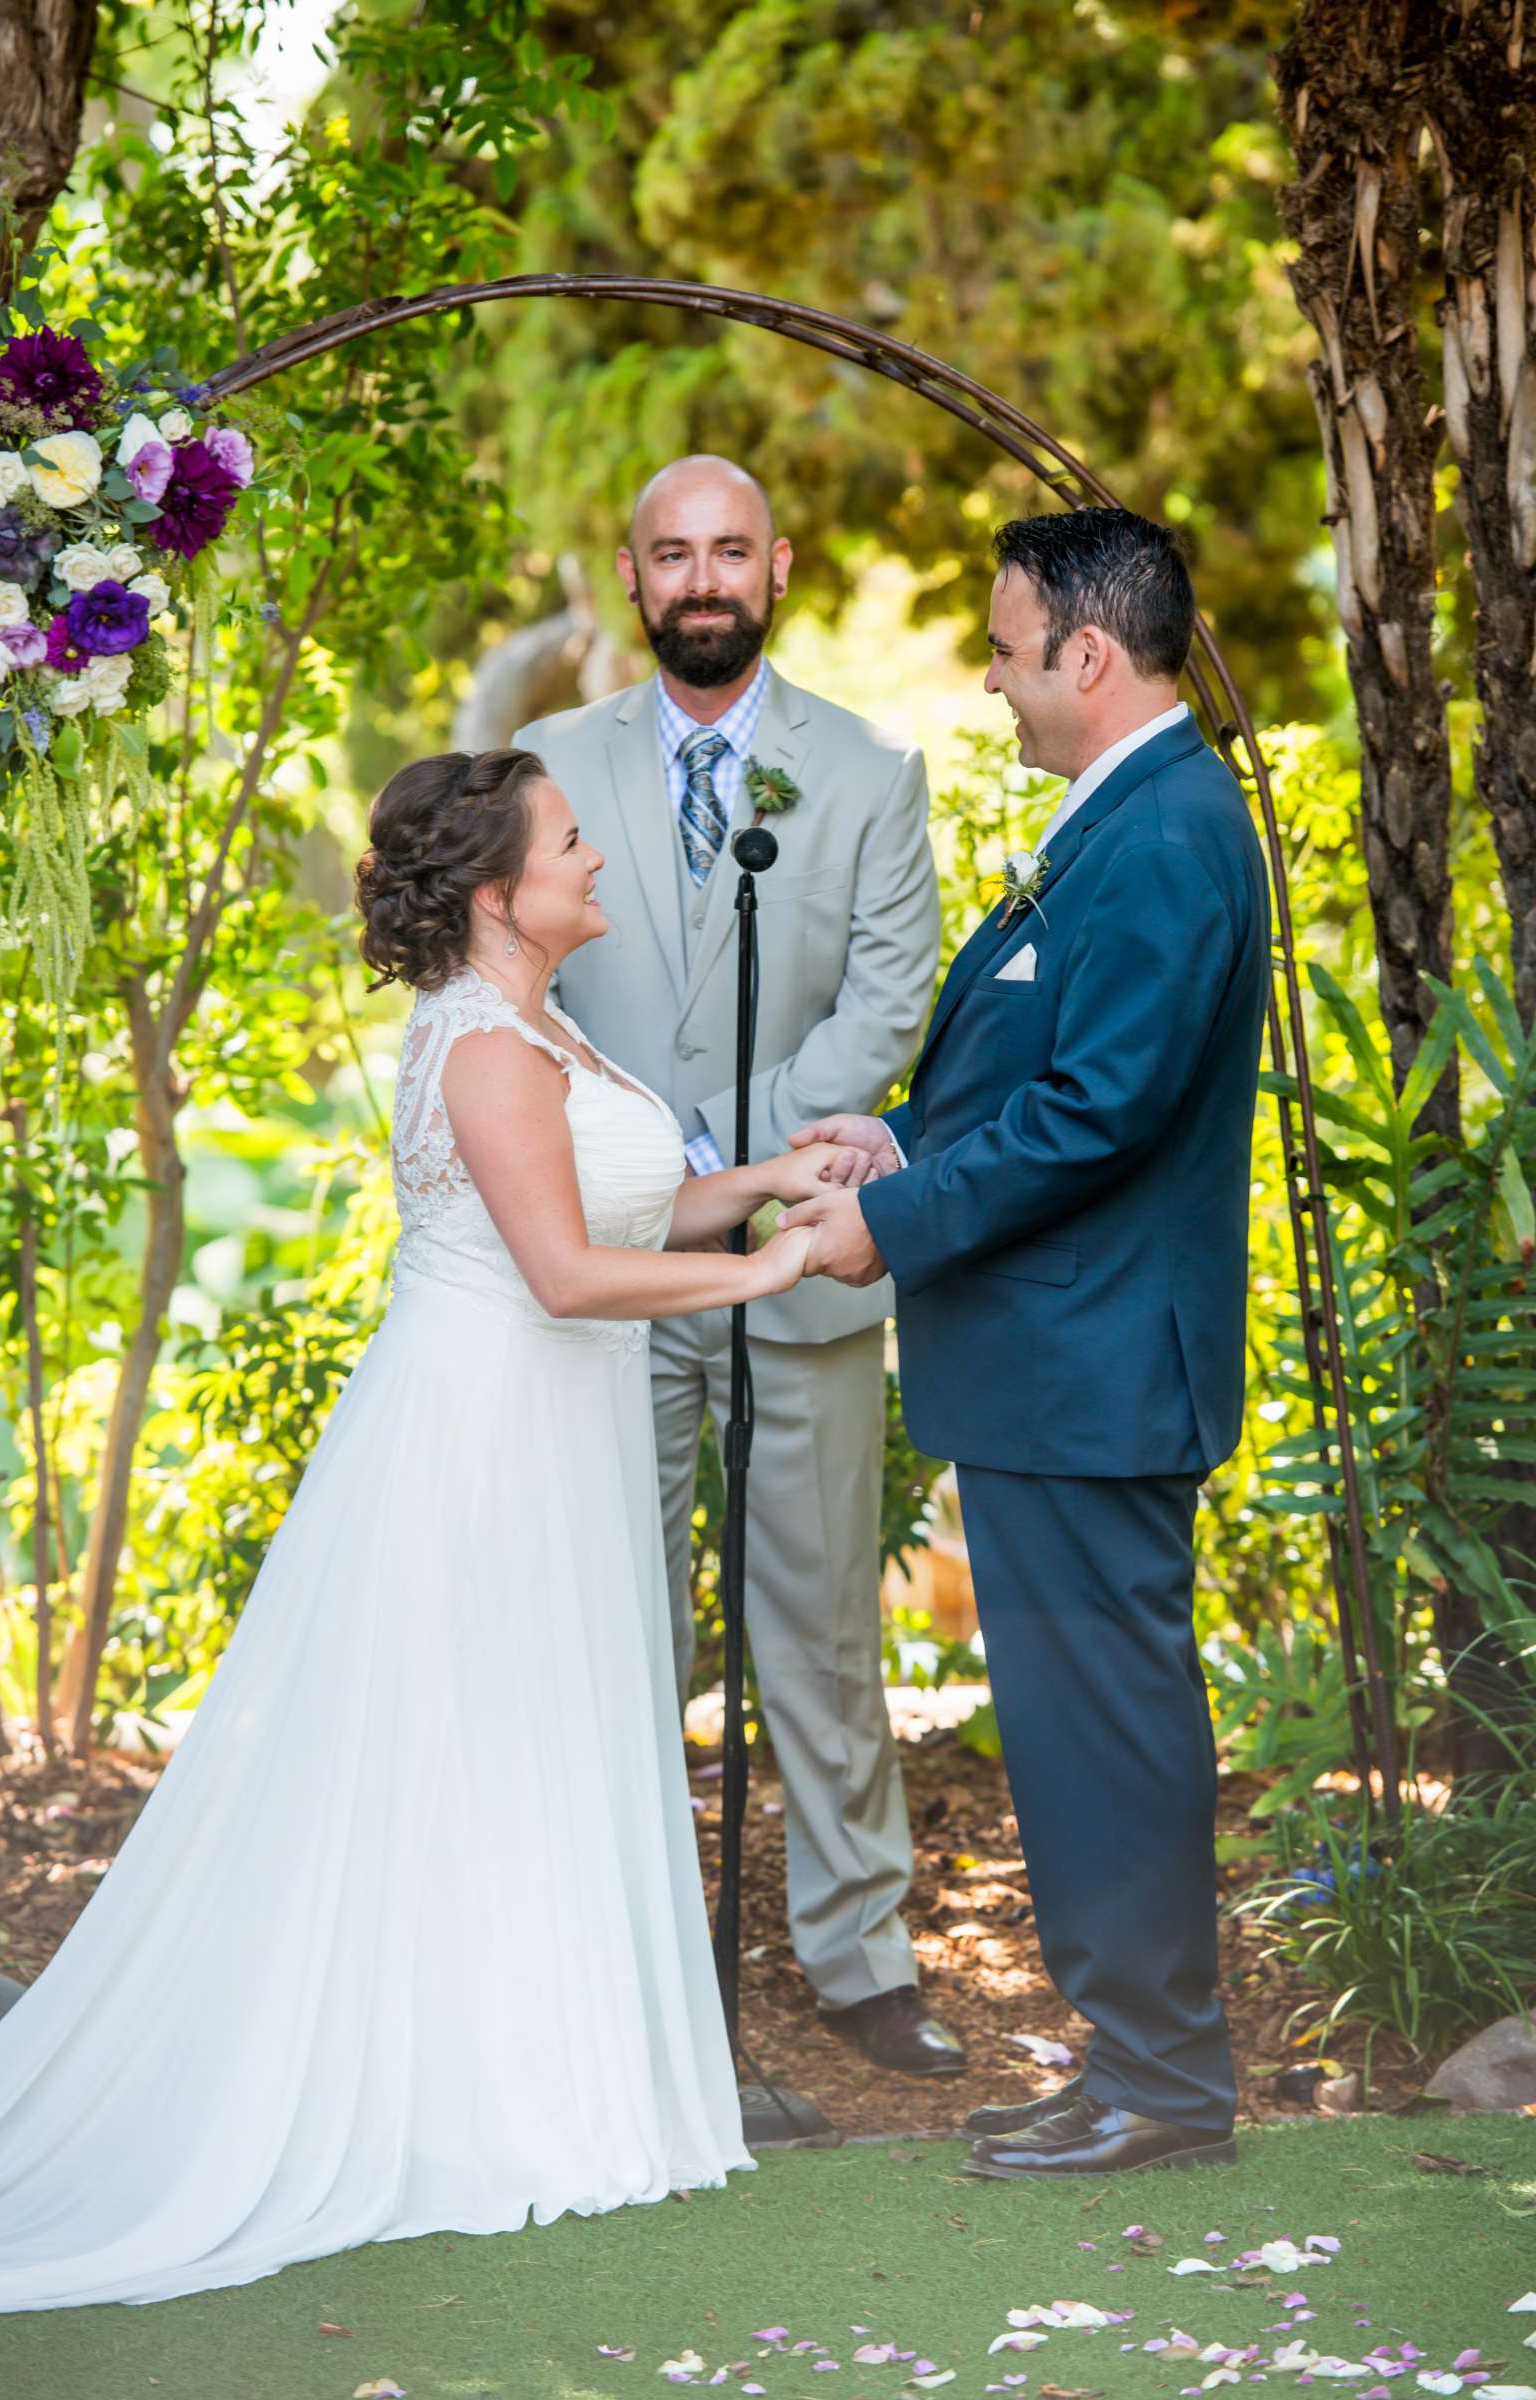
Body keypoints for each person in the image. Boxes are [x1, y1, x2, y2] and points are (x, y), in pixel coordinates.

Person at [0, 746, 868, 2313]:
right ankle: (439, 2099)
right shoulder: (485, 1046)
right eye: (572, 842)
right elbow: (568, 1274)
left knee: (525, 1747)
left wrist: (776, 1177)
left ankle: (512, 2071)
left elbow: (628, 1208)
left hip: (552, 1433)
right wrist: (771, 1270)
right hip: (481, 1437)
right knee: (453, 1751)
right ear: (492, 892)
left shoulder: (537, 1027)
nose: (595, 860)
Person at [784, 508, 1271, 2177]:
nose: (988, 681)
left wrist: (892, 1225)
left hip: (1094, 1369)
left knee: (1107, 1732)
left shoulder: (1161, 833)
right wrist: (905, 1143)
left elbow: (1100, 1113)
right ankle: (1126, 2060)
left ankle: (1163, 2088)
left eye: (1003, 650)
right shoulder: (1119, 819)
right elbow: (1040, 1078)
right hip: (1058, 1367)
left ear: (1086, 652)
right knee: (1076, 1733)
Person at [516, 456, 964, 2081]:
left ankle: (859, 1953)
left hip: (798, 1253)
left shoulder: (866, 770)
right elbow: (518, 1003)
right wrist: (655, 1172)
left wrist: (721, 1156)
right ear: (630, 578)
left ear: (776, 567)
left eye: (728, 551)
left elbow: (885, 1013)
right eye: (669, 554)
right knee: (607, 1609)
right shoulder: (545, 764)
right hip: (609, 1263)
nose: (701, 579)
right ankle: (610, 1941)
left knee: (821, 1622)